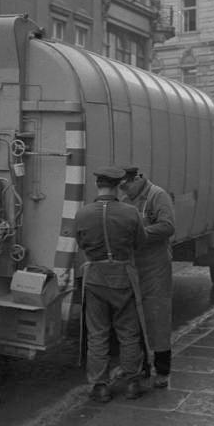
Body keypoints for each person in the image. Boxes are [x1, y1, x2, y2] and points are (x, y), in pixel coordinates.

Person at [75, 166, 147, 403]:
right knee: (128, 333)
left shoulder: (83, 214)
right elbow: (140, 243)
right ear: (118, 186)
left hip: (95, 277)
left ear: (99, 185)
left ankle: (100, 386)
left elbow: (81, 243)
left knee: (97, 334)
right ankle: (132, 383)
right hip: (122, 276)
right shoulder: (130, 212)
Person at [120, 167, 175, 389]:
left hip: (156, 267)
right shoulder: (127, 199)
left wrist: (141, 234)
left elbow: (168, 226)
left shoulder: (157, 195)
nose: (123, 191)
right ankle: (142, 367)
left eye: (126, 185)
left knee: (157, 317)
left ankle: (162, 370)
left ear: (137, 180)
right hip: (134, 266)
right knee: (135, 318)